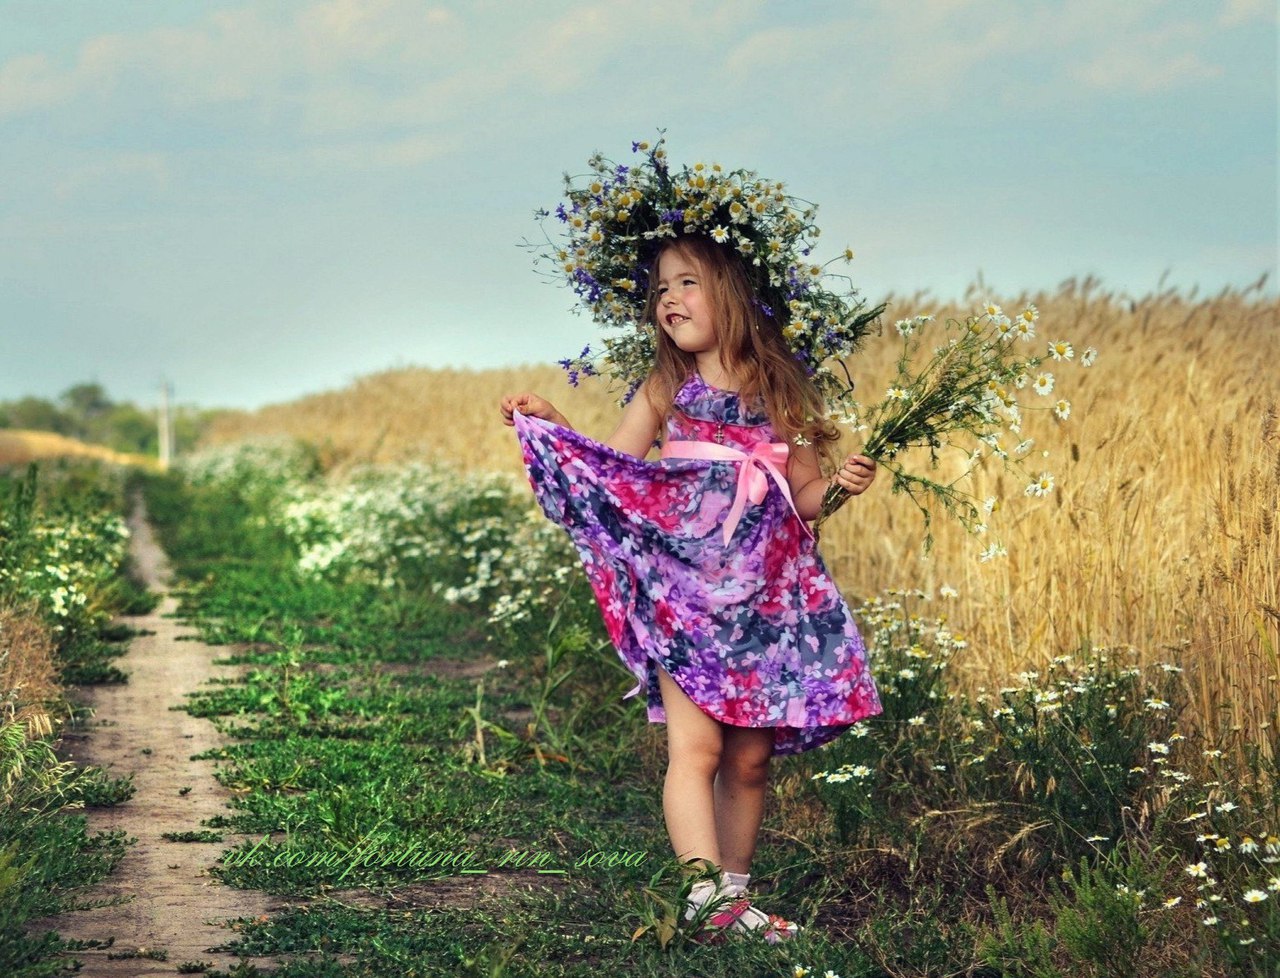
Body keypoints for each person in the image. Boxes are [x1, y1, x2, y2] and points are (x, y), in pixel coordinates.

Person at [499, 231, 883, 942]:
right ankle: (701, 896)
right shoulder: (666, 387)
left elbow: (802, 496)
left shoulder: (780, 391)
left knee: (750, 758)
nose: (669, 300)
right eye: (661, 289)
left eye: (687, 283)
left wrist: (838, 490)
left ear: (733, 292)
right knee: (697, 750)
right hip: (685, 595)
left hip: (766, 596)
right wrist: (555, 427)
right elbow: (614, 473)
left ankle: (730, 904)